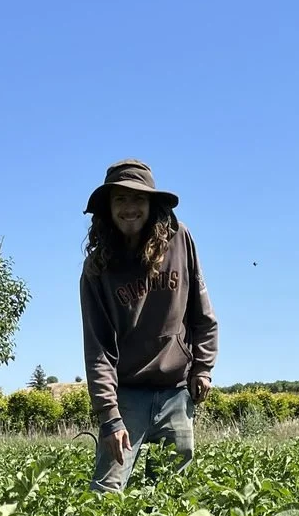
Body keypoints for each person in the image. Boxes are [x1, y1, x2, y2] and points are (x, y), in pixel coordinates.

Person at [80, 160, 218, 493]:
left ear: (151, 204)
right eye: (120, 200)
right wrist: (110, 416)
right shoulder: (97, 268)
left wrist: (203, 367)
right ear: (107, 209)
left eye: (138, 199)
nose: (130, 208)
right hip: (127, 394)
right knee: (106, 490)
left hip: (175, 389)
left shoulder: (180, 239)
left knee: (170, 494)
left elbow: (202, 309)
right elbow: (97, 348)